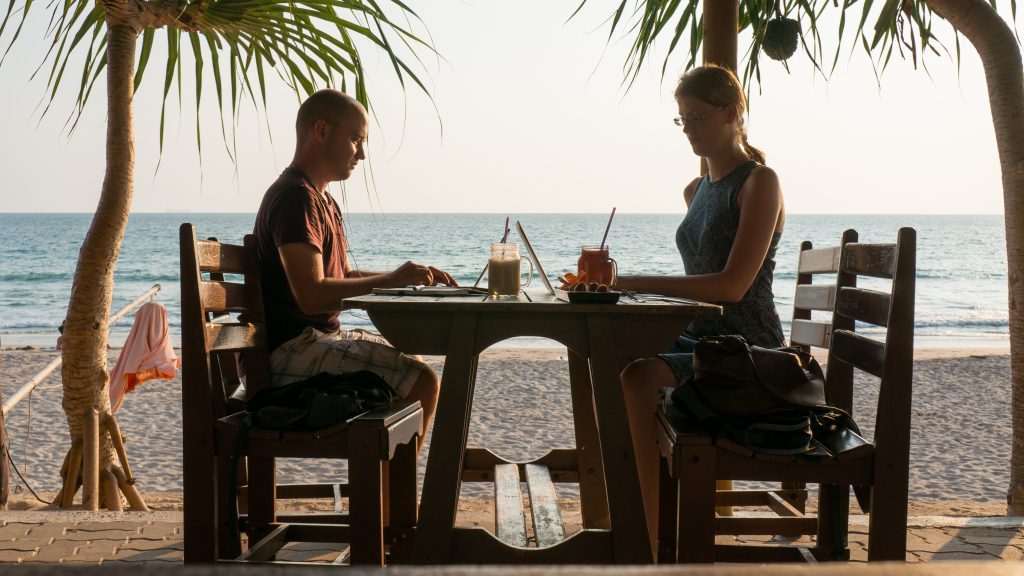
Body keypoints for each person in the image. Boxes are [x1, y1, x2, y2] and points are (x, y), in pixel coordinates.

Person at [614, 64, 787, 544]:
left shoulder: (760, 182)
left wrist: (633, 280)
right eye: (682, 120)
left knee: (639, 376)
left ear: (732, 113)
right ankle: (636, 515)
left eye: (697, 118)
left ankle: (644, 541)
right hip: (701, 336)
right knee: (610, 352)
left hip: (746, 347)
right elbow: (697, 280)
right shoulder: (696, 191)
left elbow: (733, 287)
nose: (688, 129)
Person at [252, 89, 456, 444]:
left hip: (311, 343)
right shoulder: (295, 198)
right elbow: (312, 296)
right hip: (288, 354)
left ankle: (388, 490)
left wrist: (403, 279)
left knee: (412, 359)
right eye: (356, 140)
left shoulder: (320, 199)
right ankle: (398, 498)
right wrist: (392, 279)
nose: (362, 153)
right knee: (423, 380)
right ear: (322, 131)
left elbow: (340, 278)